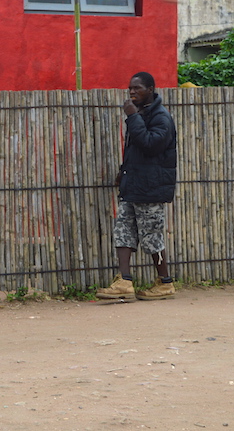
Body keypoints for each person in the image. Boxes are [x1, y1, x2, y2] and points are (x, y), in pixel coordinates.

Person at [97, 72, 178, 301]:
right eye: (130, 88)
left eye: (137, 88)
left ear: (151, 89)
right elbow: (137, 151)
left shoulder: (161, 117)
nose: (132, 92)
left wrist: (132, 117)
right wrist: (124, 172)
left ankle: (164, 283)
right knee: (123, 231)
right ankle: (124, 281)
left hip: (151, 188)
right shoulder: (142, 113)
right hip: (133, 185)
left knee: (152, 236)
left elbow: (151, 145)